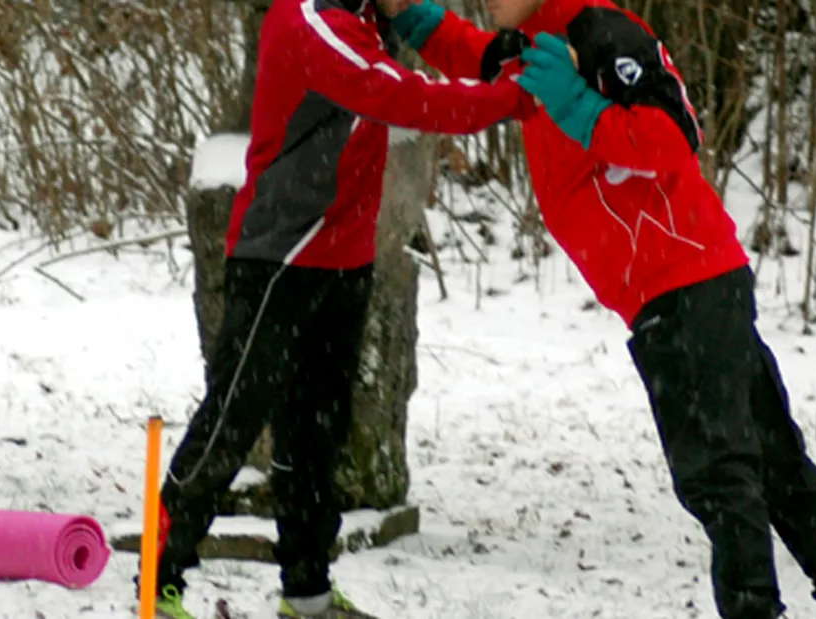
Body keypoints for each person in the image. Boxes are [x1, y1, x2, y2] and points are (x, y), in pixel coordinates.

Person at [389, 1, 816, 618]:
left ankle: (769, 606)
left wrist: (580, 109)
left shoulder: (601, 32)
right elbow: (473, 55)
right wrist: (410, 16)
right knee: (770, 458)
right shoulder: (535, 42)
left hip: (684, 283)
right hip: (681, 284)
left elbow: (676, 136)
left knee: (719, 472)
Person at [136, 0, 537, 616]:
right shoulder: (310, 21)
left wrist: (496, 59)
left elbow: (432, 39)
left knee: (315, 438)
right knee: (232, 423)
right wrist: (508, 96)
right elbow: (399, 96)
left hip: (343, 261)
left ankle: (308, 593)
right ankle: (158, 584)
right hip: (281, 255)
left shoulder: (369, 16)